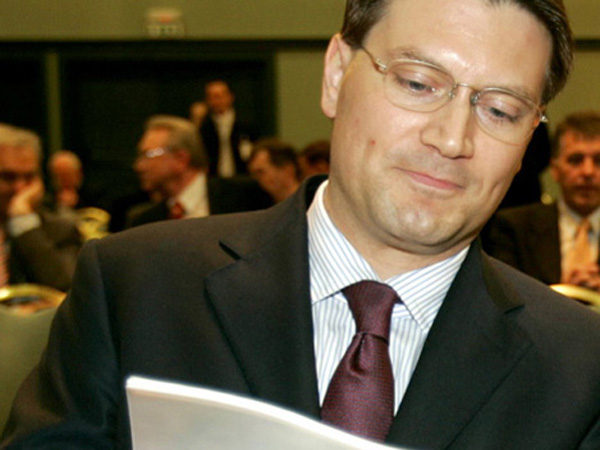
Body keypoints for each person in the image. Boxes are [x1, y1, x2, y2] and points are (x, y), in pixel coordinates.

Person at [3, 1, 600, 449]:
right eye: (418, 83)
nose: (451, 139)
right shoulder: (137, 287)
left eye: (501, 110)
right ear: (336, 74)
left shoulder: (580, 367)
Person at [484, 110, 600, 290]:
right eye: (575, 160)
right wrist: (562, 295)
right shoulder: (514, 227)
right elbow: (503, 296)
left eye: (598, 161)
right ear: (555, 169)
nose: (588, 172)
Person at [128, 114, 270, 228]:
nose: (139, 166)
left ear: (181, 158)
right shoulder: (144, 222)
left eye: (148, 154)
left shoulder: (244, 195)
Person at [0, 124, 82, 292]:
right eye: (8, 177)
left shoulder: (61, 230)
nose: (20, 188)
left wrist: (23, 223)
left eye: (29, 177)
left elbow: (67, 289)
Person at [200, 80, 256, 177]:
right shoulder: (204, 128)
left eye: (220, 96)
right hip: (213, 178)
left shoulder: (246, 124)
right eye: (212, 97)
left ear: (230, 97)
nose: (217, 101)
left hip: (242, 177)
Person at [247, 137, 301, 203]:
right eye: (253, 174)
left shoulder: (308, 203)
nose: (256, 179)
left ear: (287, 170)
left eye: (261, 172)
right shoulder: (261, 203)